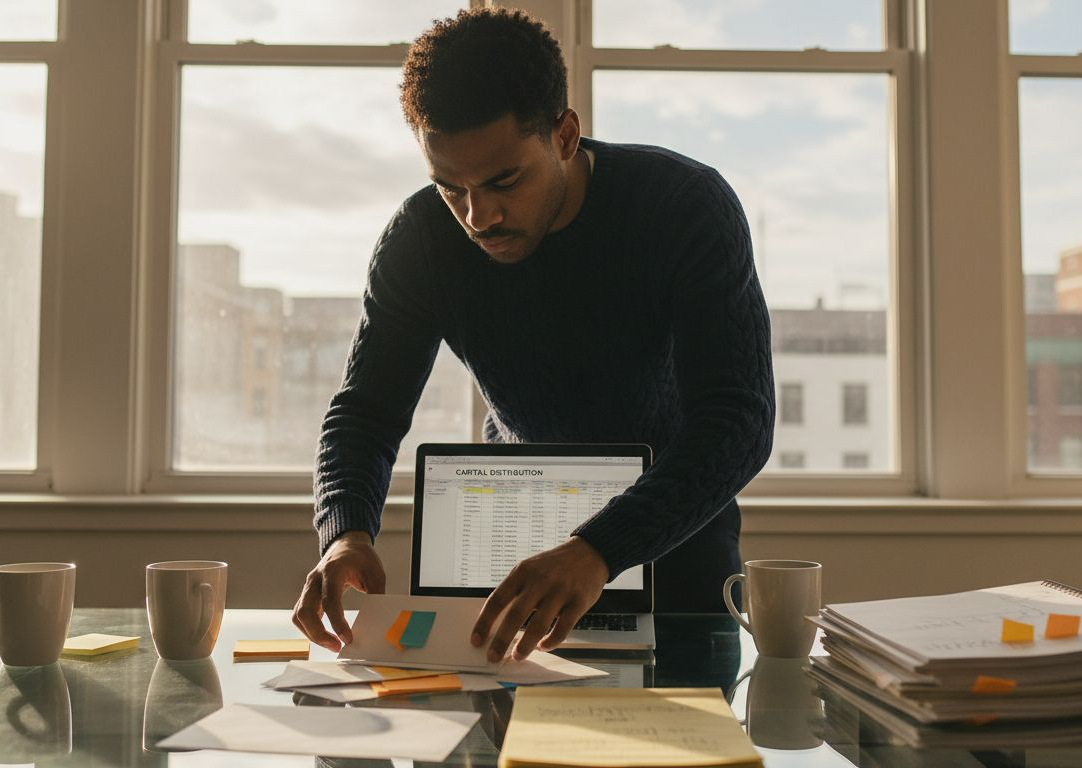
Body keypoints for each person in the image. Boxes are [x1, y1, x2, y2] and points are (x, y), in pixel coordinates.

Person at [292, 7, 774, 664]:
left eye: (503, 181)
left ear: (565, 134)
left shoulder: (684, 206)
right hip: (516, 567)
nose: (478, 215)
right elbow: (365, 412)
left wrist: (597, 550)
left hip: (678, 561)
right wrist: (344, 532)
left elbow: (739, 420)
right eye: (449, 187)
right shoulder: (421, 240)